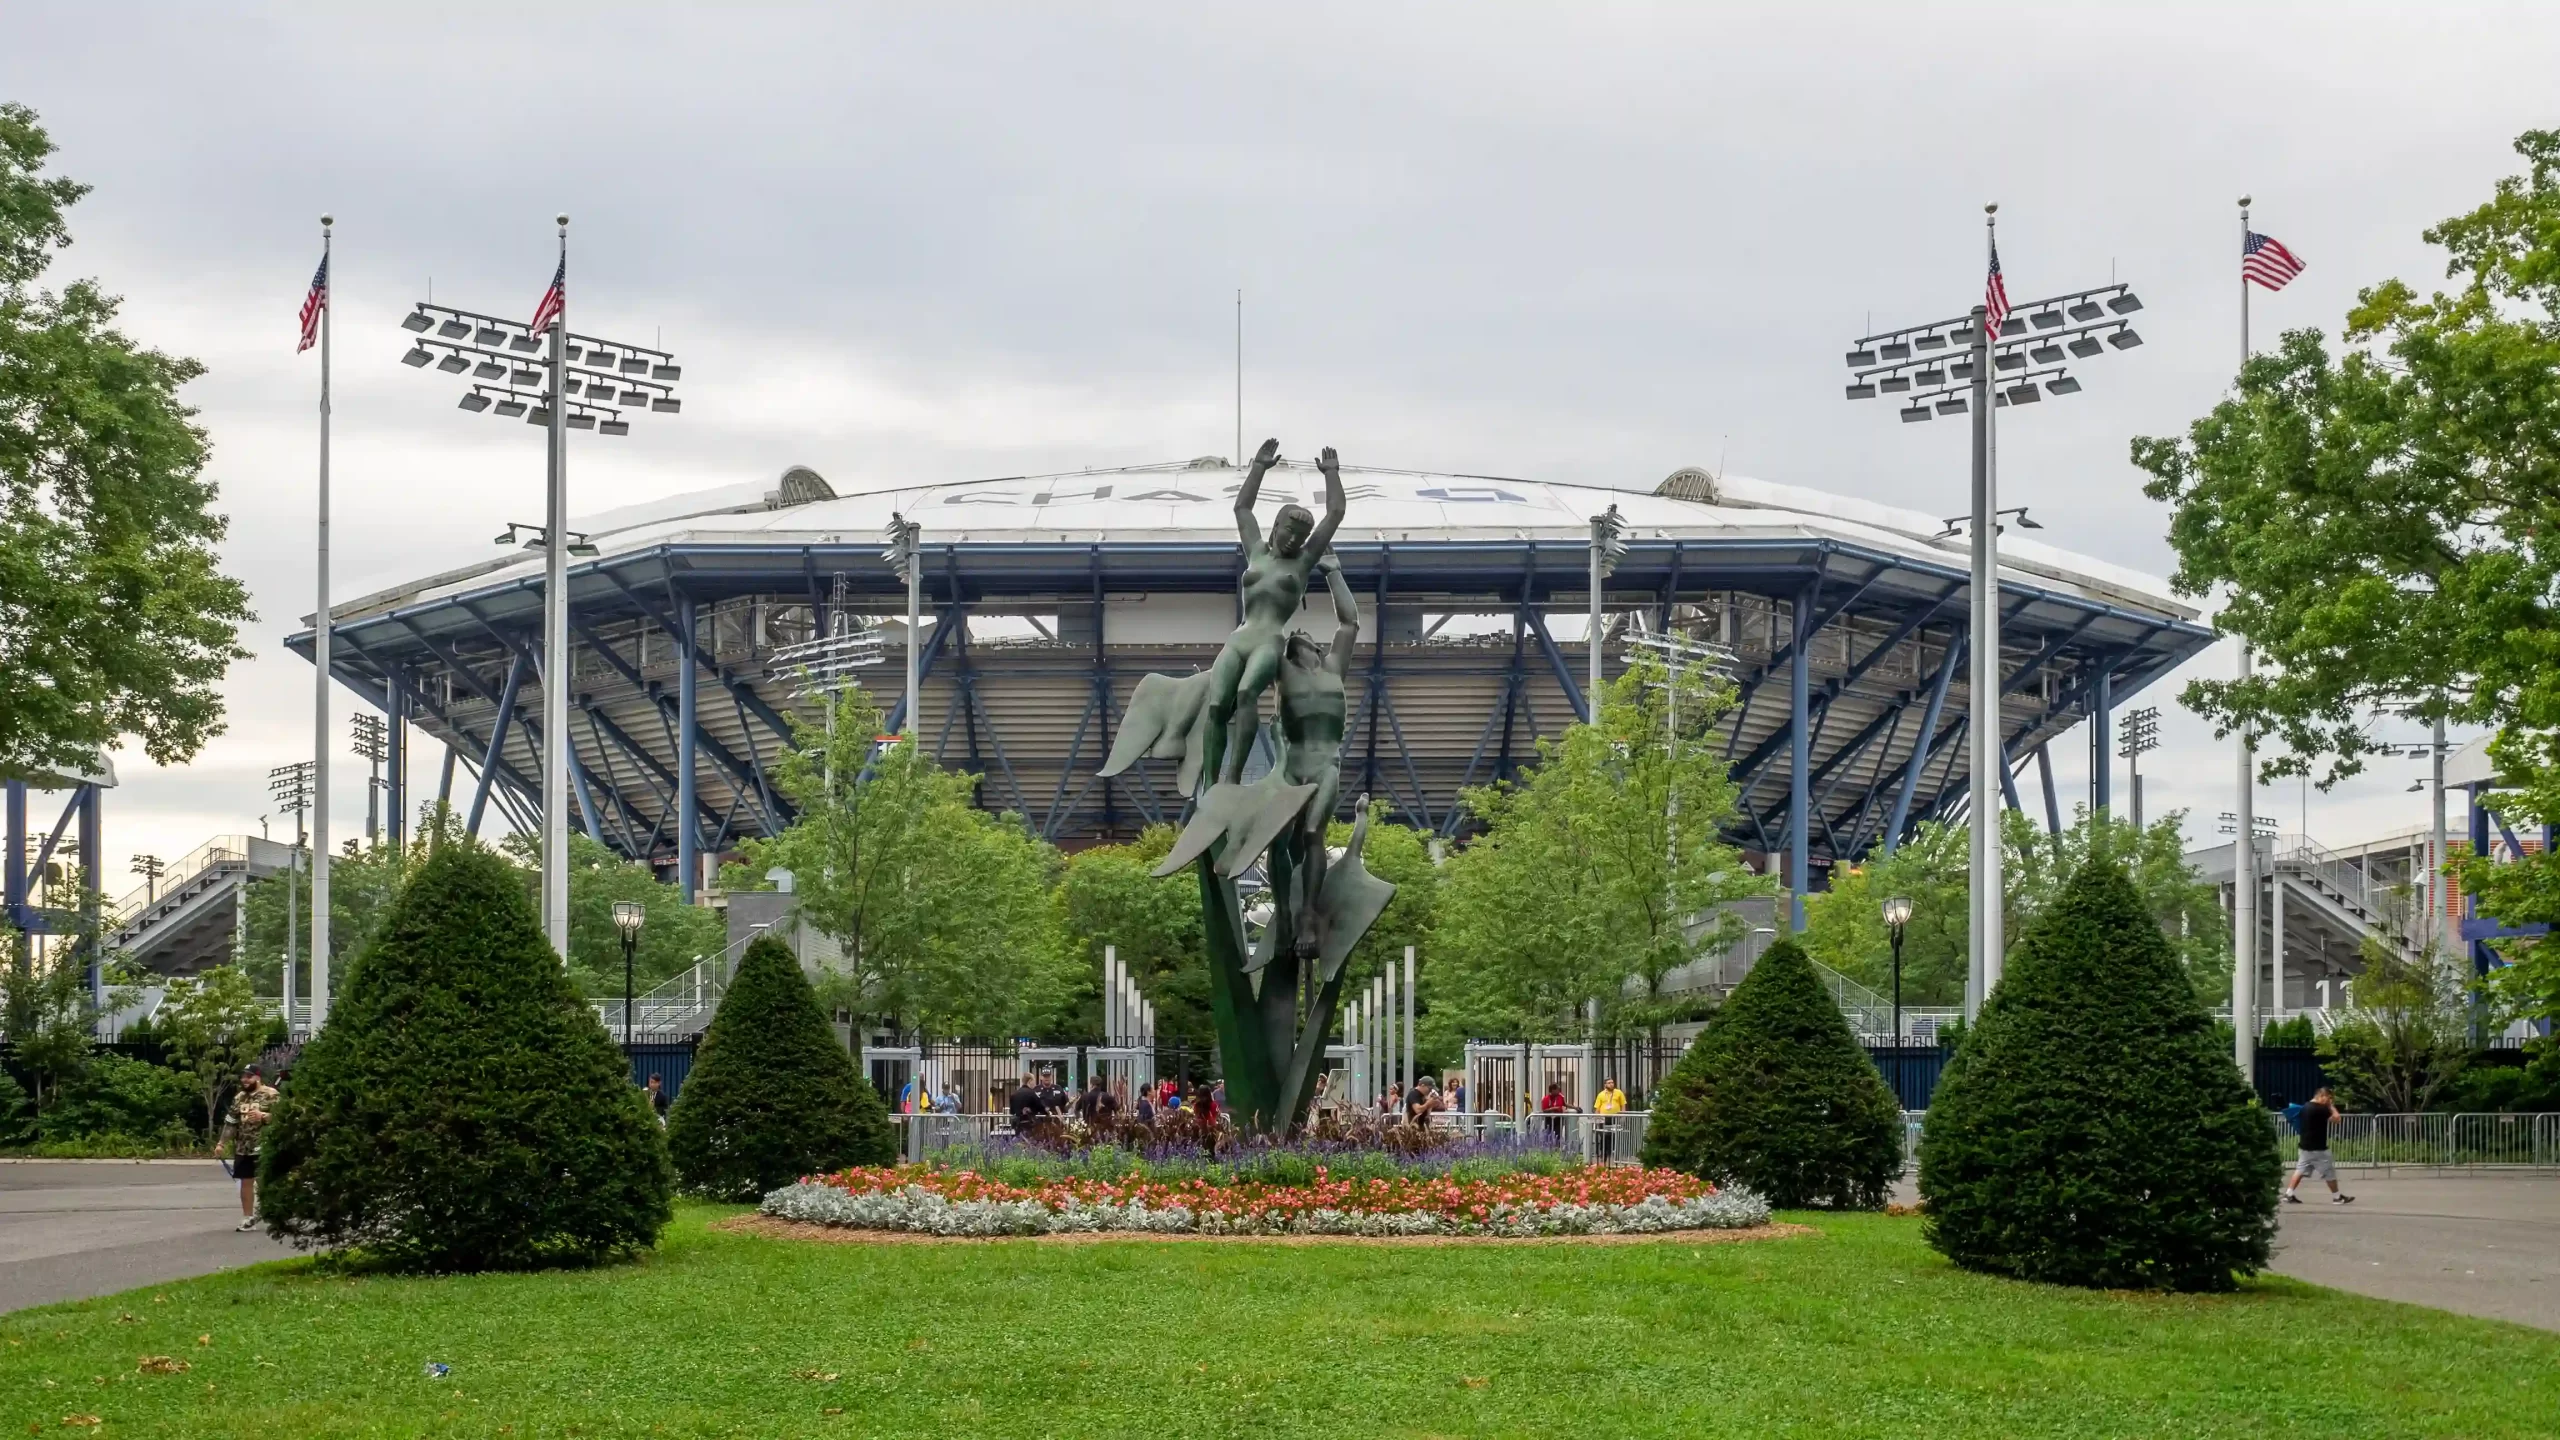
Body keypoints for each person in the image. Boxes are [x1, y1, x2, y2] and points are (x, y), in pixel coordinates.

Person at [216, 1066, 279, 1231]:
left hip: (265, 1146)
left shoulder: (271, 1095)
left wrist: (264, 1116)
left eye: (248, 1077)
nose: (245, 1080)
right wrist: (221, 1143)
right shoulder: (239, 1098)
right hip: (243, 1147)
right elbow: (231, 1123)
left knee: (266, 1181)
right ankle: (248, 1217)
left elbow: (283, 1116)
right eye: (243, 1077)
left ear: (257, 1077)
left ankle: (275, 1214)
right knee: (246, 1182)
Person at [2286, 1086, 2355, 1205]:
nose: (2329, 1101)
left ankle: (2288, 1194)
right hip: (2318, 1148)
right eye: (2328, 1098)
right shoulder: (2320, 1109)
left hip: (2305, 1146)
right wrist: (2330, 1107)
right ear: (2321, 1096)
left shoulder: (2305, 1107)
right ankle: (2337, 1197)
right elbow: (2337, 1119)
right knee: (2329, 1172)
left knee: (2300, 1170)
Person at [1593, 1077, 1627, 1161]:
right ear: (1605, 1085)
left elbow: (1623, 1105)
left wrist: (1623, 1115)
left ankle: (1613, 1154)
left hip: (1615, 1118)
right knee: (1603, 1136)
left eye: (1612, 1082)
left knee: (1613, 1136)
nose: (1611, 1084)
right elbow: (1597, 1108)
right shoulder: (1601, 1094)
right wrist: (1596, 1118)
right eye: (1609, 1083)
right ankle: (1603, 1154)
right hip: (1604, 1118)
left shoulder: (1619, 1093)